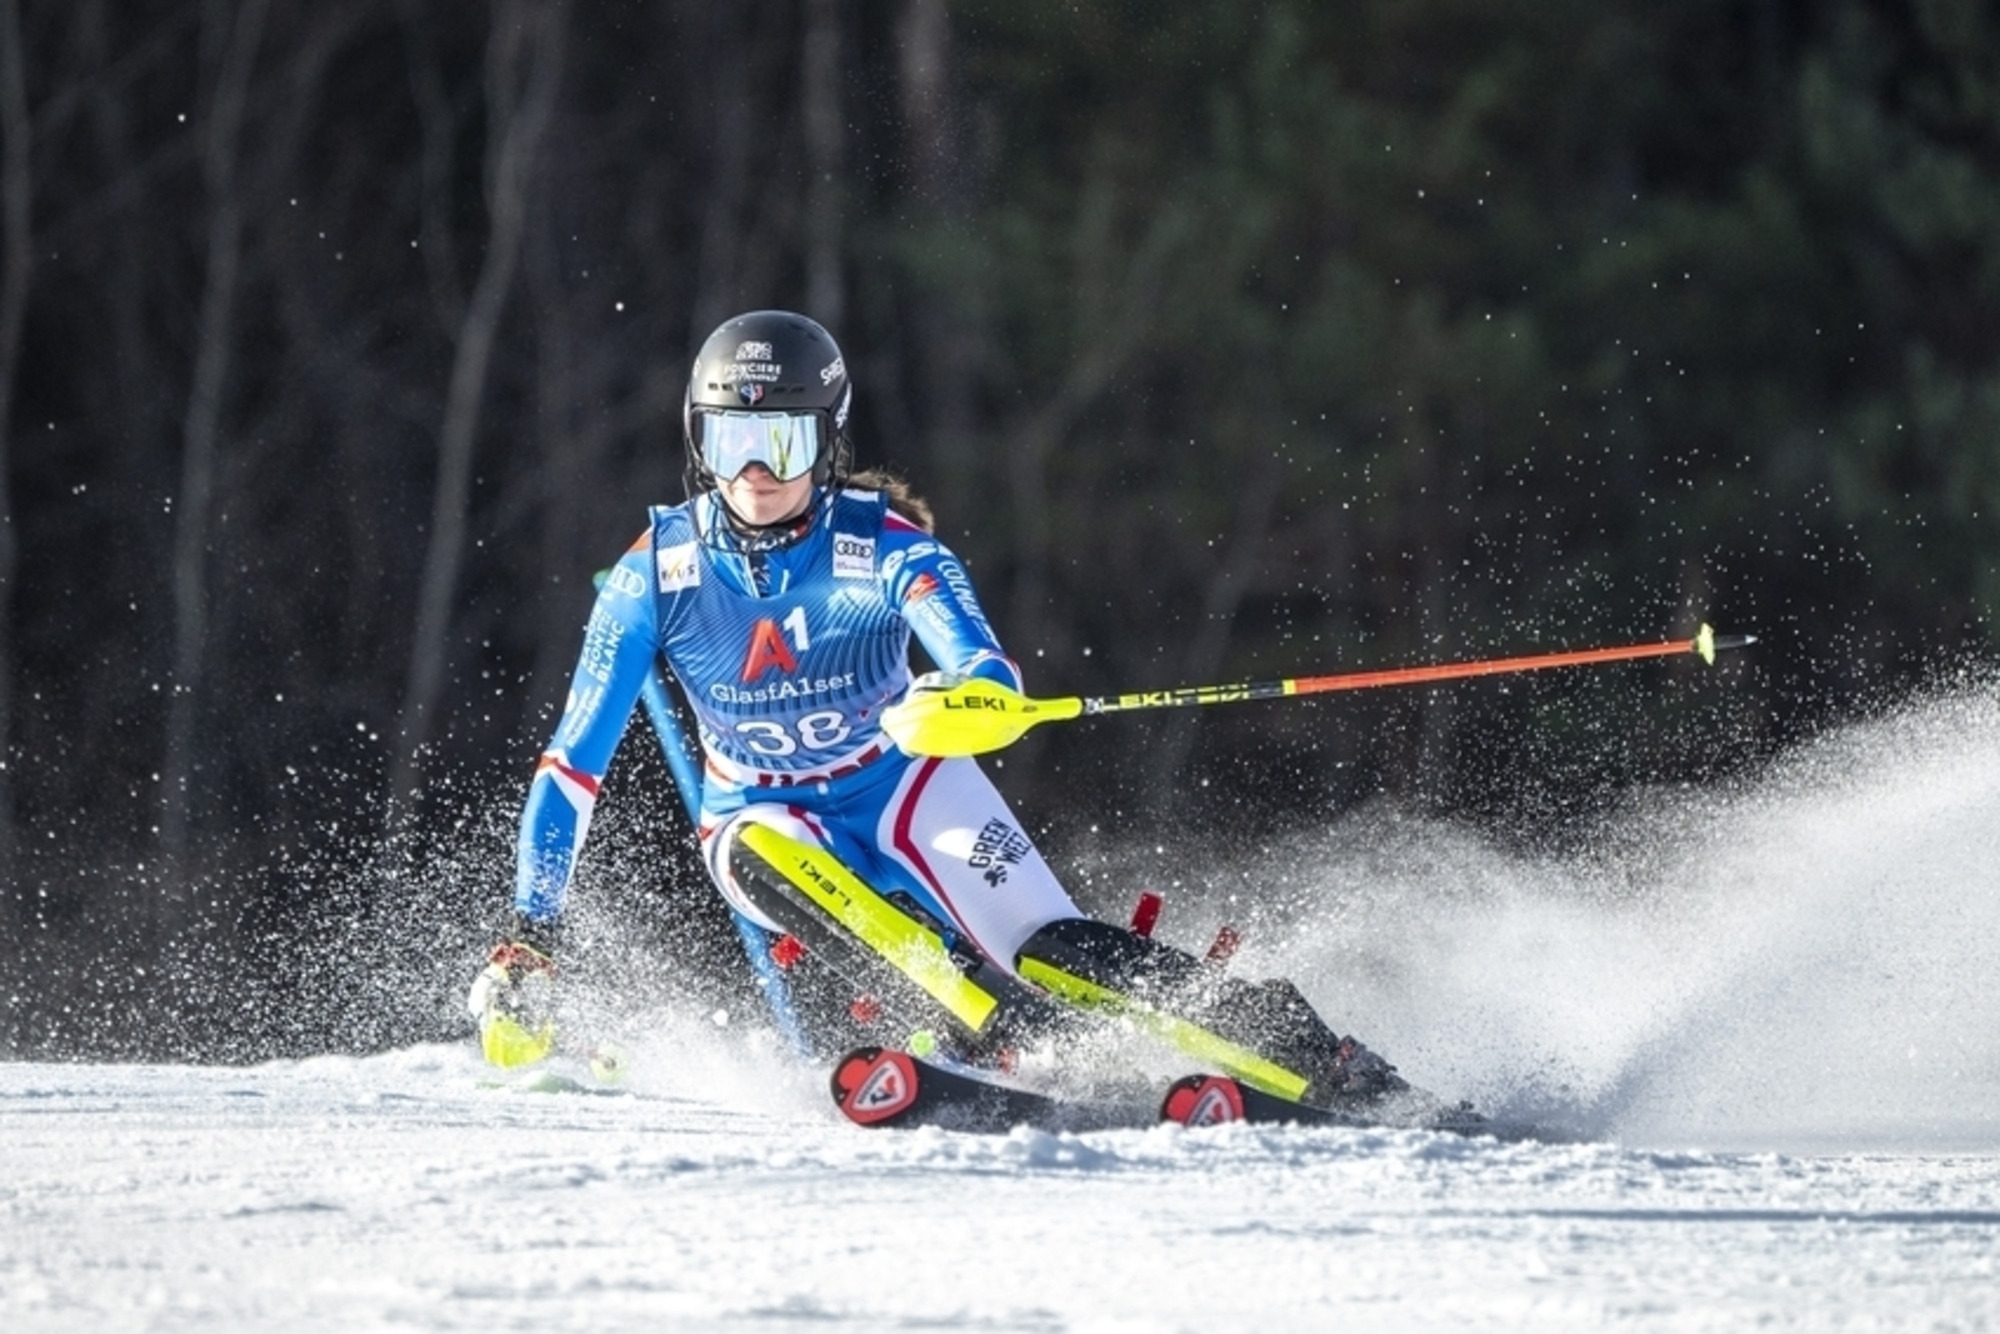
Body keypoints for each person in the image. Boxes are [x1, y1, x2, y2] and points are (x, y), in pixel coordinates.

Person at [470, 309, 1394, 1107]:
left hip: (906, 783)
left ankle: (1319, 1060)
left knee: (1055, 949)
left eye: (782, 442)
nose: (754, 471)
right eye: (729, 441)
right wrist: (529, 938)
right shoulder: (653, 577)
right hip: (763, 810)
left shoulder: (884, 548)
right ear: (696, 443)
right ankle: (994, 1033)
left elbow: (980, 661)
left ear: (827, 444)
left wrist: (978, 698)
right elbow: (571, 768)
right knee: (753, 851)